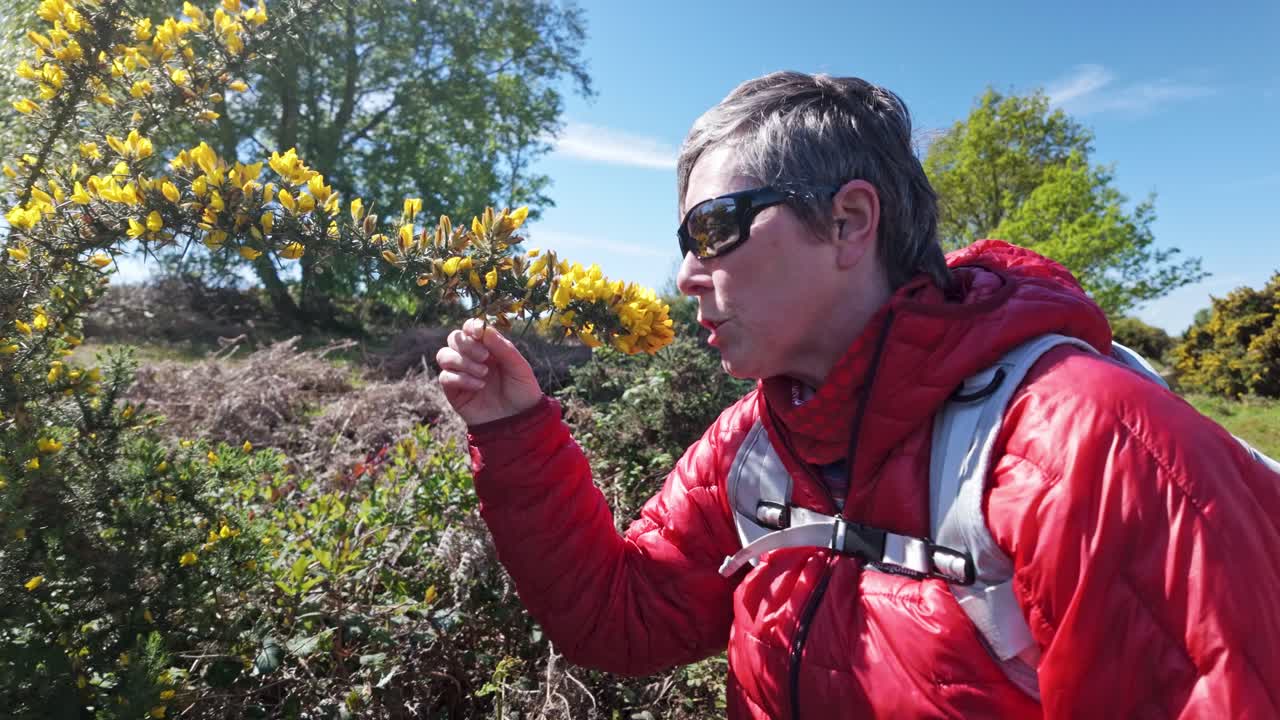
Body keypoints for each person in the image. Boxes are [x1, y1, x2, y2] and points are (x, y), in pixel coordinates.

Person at [435, 71, 1280, 718]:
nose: (687, 275)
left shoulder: (1094, 448)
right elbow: (619, 620)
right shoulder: (756, 442)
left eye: (715, 229)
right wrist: (516, 433)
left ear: (849, 221)